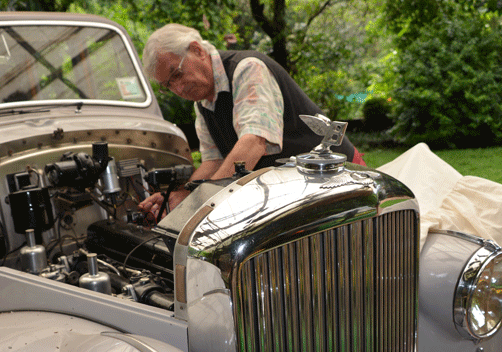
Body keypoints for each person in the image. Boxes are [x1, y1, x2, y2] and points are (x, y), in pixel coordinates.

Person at [138, 23, 366, 217]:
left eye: (177, 74)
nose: (177, 88)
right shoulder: (203, 102)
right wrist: (183, 197)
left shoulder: (247, 68)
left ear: (197, 50)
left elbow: (253, 144)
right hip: (303, 189)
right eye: (168, 85)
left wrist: (199, 205)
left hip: (342, 180)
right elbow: (213, 161)